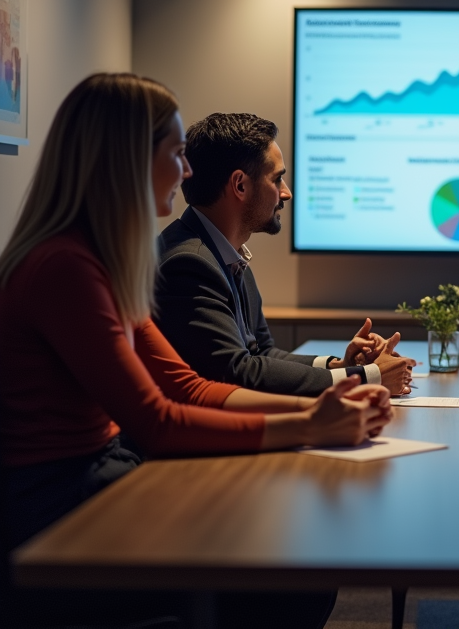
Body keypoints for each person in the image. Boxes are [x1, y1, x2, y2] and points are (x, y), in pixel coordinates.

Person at [0, 74, 393, 628]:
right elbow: (158, 420)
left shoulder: (100, 260)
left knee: (297, 564)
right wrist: (312, 425)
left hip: (104, 475)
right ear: (127, 159)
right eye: (176, 154)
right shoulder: (64, 268)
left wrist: (318, 411)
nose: (187, 172)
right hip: (60, 504)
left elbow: (189, 386)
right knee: (289, 582)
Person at [155, 112, 413, 398]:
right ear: (240, 185)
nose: (286, 193)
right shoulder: (189, 264)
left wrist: (341, 366)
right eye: (277, 179)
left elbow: (262, 353)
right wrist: (369, 377)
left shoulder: (226, 255)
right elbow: (237, 372)